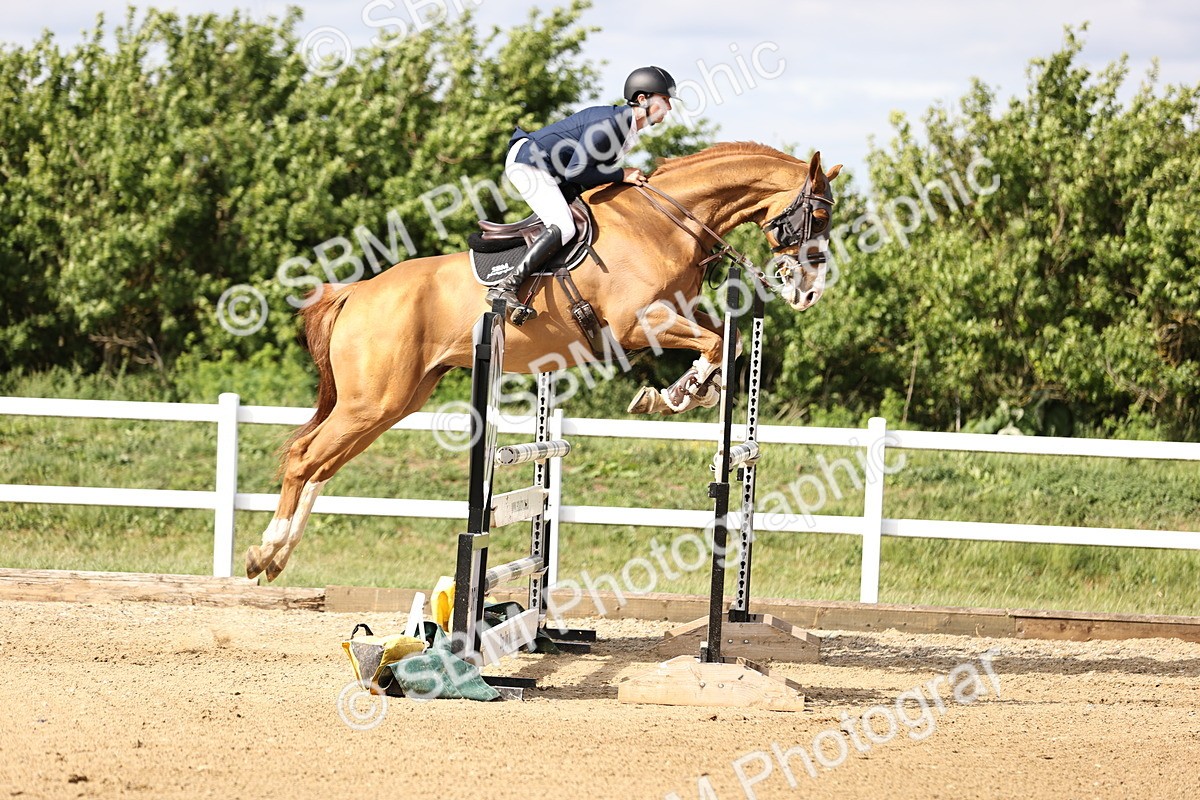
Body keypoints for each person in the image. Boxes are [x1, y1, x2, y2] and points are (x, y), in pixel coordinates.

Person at [487, 65, 678, 325]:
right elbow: (578, 171)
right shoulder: (612, 124)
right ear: (642, 99)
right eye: (664, 100)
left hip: (554, 170)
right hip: (530, 163)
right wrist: (621, 175)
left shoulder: (626, 129)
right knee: (564, 226)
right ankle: (505, 287)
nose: (669, 107)